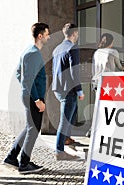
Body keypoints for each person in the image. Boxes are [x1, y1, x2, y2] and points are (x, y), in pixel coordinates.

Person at [3, 22, 50, 174]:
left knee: (29, 128)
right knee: (34, 130)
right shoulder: (33, 53)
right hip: (33, 98)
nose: (49, 37)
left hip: (29, 95)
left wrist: (26, 89)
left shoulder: (28, 51)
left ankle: (11, 157)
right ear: (40, 36)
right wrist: (37, 100)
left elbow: (19, 73)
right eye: (47, 34)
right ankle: (24, 163)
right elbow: (26, 79)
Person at [52, 23, 85, 160]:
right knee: (65, 120)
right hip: (68, 89)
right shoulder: (73, 48)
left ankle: (66, 138)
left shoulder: (57, 49)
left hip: (58, 88)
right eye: (77, 33)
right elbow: (74, 72)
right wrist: (79, 91)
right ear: (74, 33)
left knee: (72, 112)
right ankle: (59, 151)